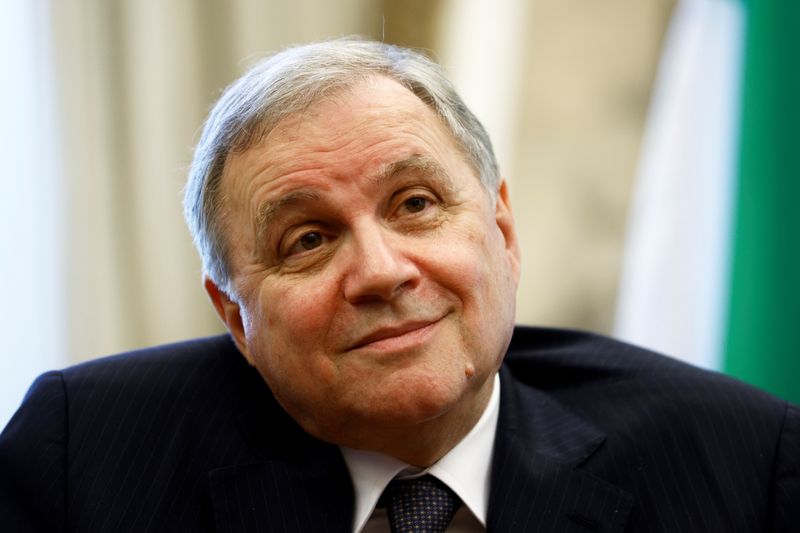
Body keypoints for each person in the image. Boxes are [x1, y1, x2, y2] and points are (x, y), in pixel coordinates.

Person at [0, 38, 797, 533]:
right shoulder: (85, 459)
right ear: (236, 319)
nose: (381, 271)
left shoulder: (739, 461)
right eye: (306, 240)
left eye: (416, 204)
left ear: (503, 233)